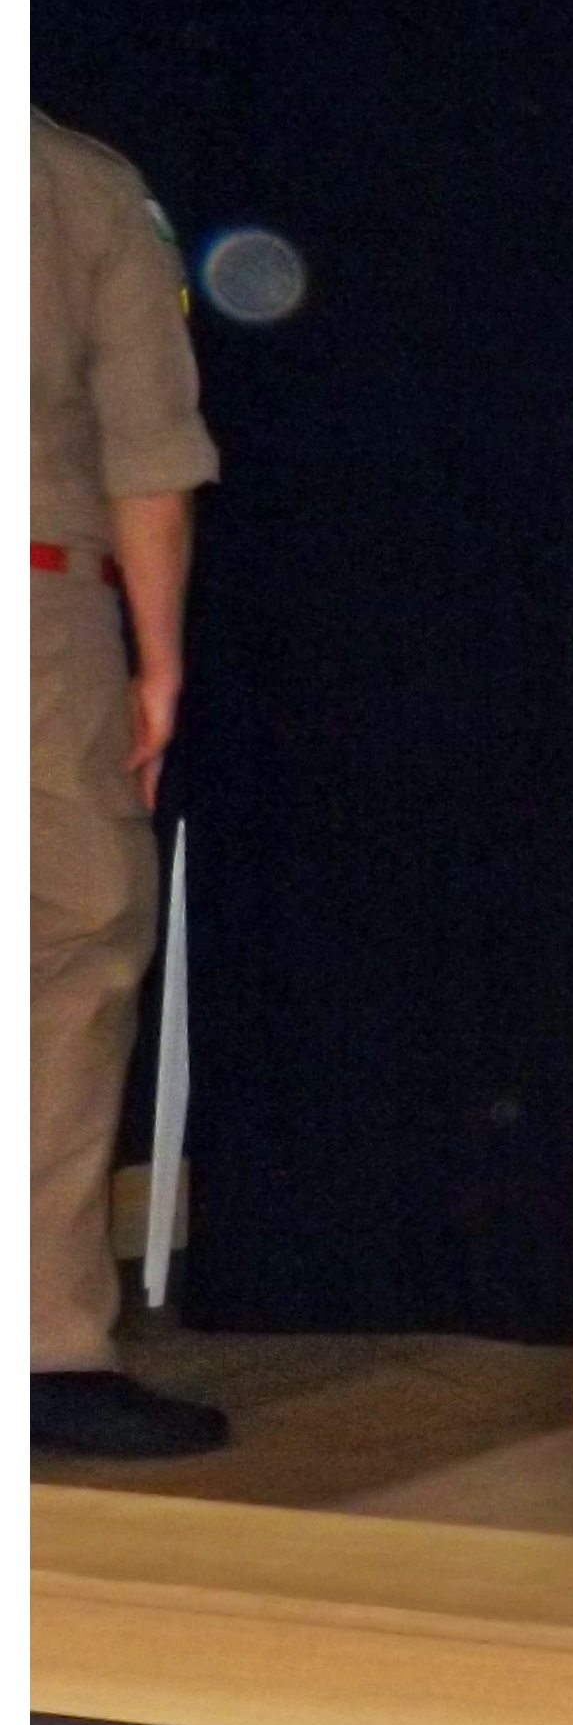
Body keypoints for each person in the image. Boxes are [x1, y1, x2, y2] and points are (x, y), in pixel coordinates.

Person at [31, 113, 229, 1459]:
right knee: (65, 957)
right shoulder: (77, 187)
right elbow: (149, 456)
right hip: (34, 622)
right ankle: (41, 1344)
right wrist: (158, 663)